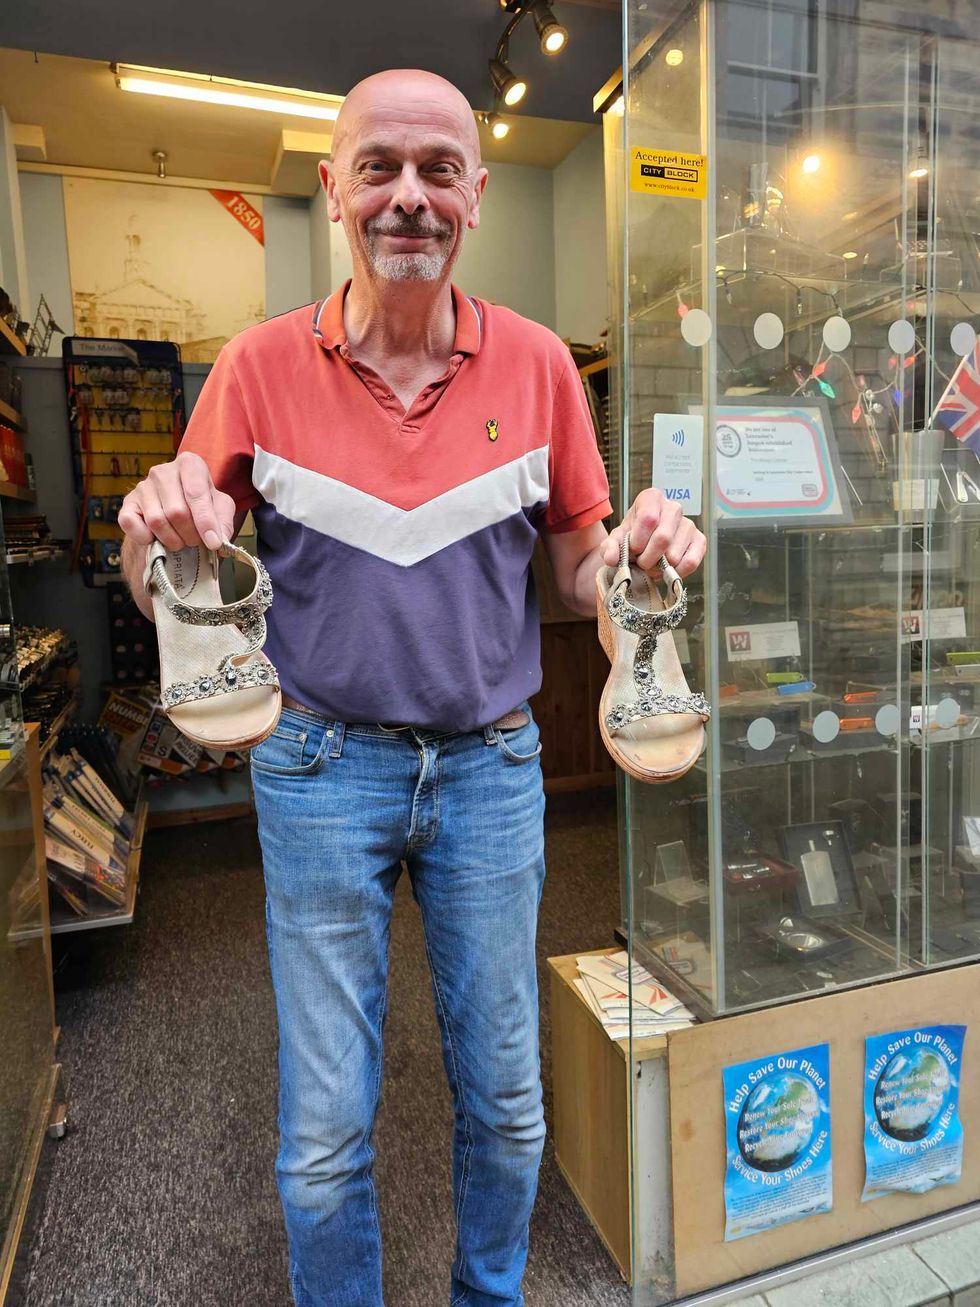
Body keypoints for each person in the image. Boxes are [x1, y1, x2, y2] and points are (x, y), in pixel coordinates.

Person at [120, 68, 705, 1307]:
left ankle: (487, 1294)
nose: (407, 197)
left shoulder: (542, 369)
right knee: (325, 1134)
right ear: (333, 186)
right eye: (377, 166)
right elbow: (177, 588)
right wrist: (152, 524)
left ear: (475, 196)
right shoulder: (258, 370)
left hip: (490, 770)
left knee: (505, 1106)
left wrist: (641, 552)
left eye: (437, 170)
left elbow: (575, 576)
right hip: (318, 766)